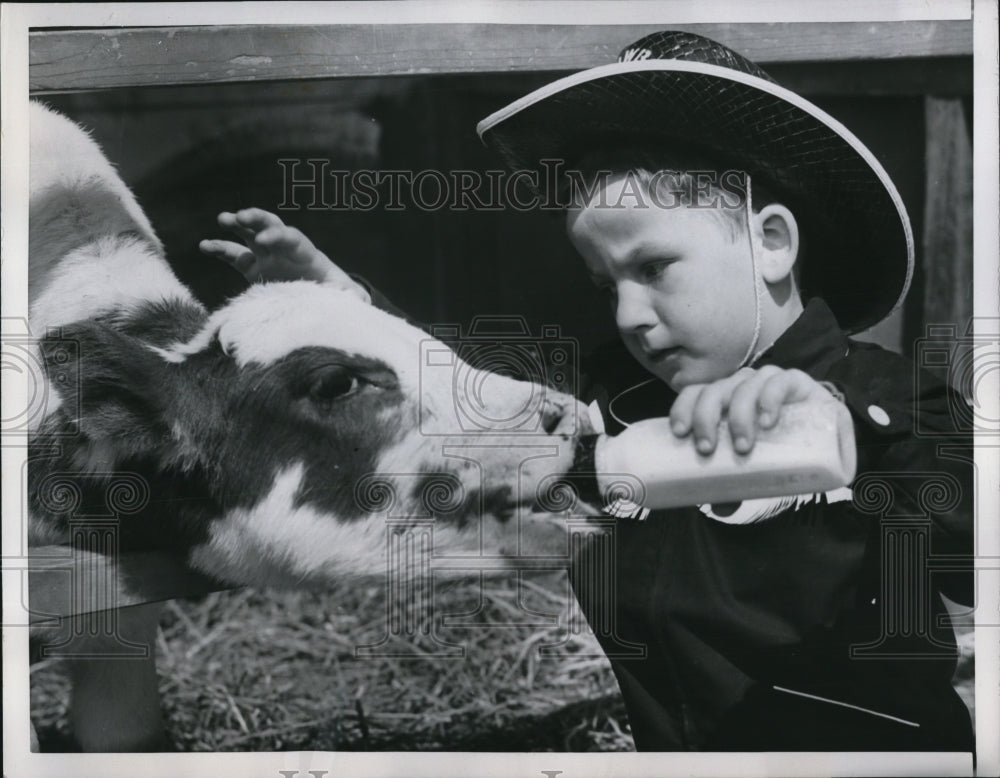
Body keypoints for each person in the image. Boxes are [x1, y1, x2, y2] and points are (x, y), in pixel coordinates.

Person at [200, 30, 973, 752]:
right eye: (606, 284)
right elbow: (466, 401)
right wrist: (347, 312)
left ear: (770, 243)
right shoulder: (611, 402)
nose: (629, 314)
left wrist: (840, 426)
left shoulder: (896, 401)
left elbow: (973, 531)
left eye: (654, 268)